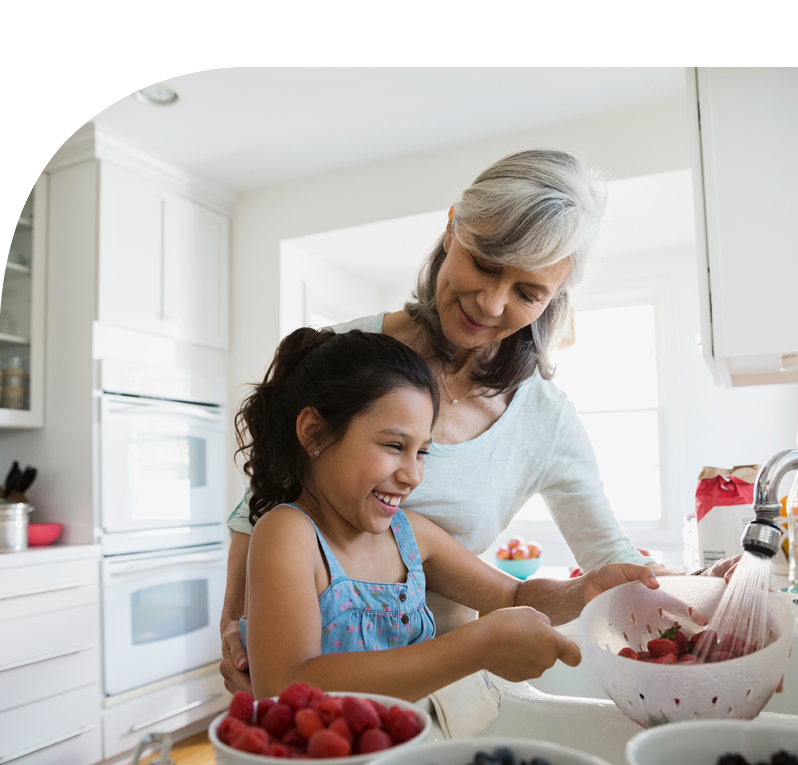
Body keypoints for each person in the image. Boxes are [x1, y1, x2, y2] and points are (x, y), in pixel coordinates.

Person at [221, 148, 734, 696]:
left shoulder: (537, 425)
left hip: (438, 688)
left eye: (528, 292)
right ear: (452, 230)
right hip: (317, 690)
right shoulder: (349, 360)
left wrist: (682, 590)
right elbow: (264, 503)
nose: (490, 305)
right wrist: (235, 625)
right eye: (485, 264)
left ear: (553, 298)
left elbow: (596, 562)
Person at [235, 326, 659, 701]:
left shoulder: (408, 537)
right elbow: (285, 684)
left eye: (422, 452)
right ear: (314, 433)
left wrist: (584, 592)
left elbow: (512, 597)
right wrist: (474, 647)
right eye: (393, 446)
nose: (414, 475)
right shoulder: (289, 534)